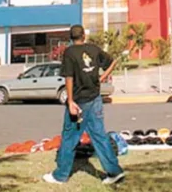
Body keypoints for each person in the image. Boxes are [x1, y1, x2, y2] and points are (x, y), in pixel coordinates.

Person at [43, 25, 124, 186]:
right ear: (84, 36)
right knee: (99, 135)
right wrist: (102, 78)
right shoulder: (93, 49)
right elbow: (112, 62)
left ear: (71, 38)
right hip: (95, 99)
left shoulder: (70, 53)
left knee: (69, 138)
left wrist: (71, 101)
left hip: (80, 102)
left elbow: (69, 78)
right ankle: (114, 171)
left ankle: (61, 175)